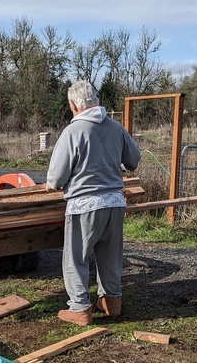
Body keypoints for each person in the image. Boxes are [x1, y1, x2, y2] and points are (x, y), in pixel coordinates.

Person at [46, 80, 141, 326]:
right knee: (110, 254)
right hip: (115, 202)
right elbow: (134, 159)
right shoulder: (115, 127)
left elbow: (56, 178)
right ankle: (112, 302)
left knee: (75, 257)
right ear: (95, 101)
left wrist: (52, 184)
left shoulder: (73, 132)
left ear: (73, 104)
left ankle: (79, 309)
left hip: (84, 205)